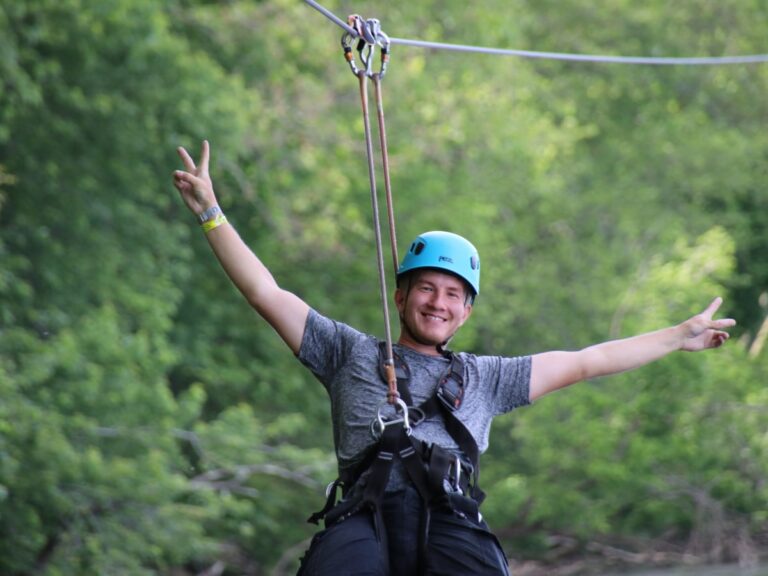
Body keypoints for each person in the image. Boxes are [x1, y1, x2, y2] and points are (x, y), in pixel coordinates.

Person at [173, 140, 736, 576]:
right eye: (425, 288)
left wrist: (676, 335)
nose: (437, 303)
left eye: (452, 295)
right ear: (400, 296)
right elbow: (266, 294)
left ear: (465, 312)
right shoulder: (347, 351)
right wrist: (211, 212)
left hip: (450, 516)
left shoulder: (485, 378)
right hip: (363, 516)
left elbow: (589, 359)